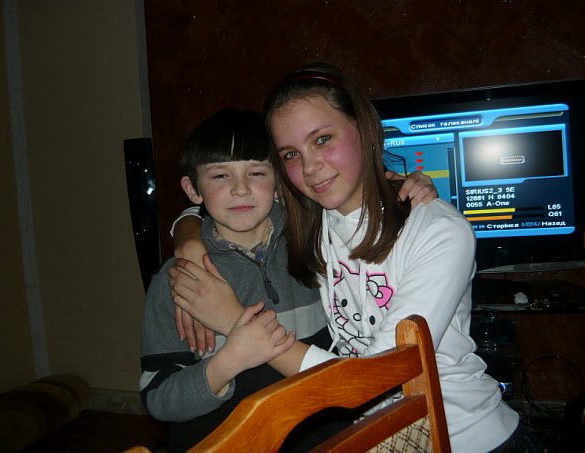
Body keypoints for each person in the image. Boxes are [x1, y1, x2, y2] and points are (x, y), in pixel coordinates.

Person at [169, 62, 537, 452]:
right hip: (373, 437)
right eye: (291, 154)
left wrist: (232, 319)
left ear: (362, 129)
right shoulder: (311, 220)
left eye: (323, 139)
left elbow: (373, 381)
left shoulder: (439, 231)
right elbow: (229, 202)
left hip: (467, 437)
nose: (310, 168)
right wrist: (188, 236)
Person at [141, 109, 332, 452]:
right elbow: (158, 398)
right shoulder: (178, 279)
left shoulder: (315, 243)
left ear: (279, 183)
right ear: (193, 189)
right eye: (220, 176)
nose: (240, 189)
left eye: (256, 173)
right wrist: (228, 362)